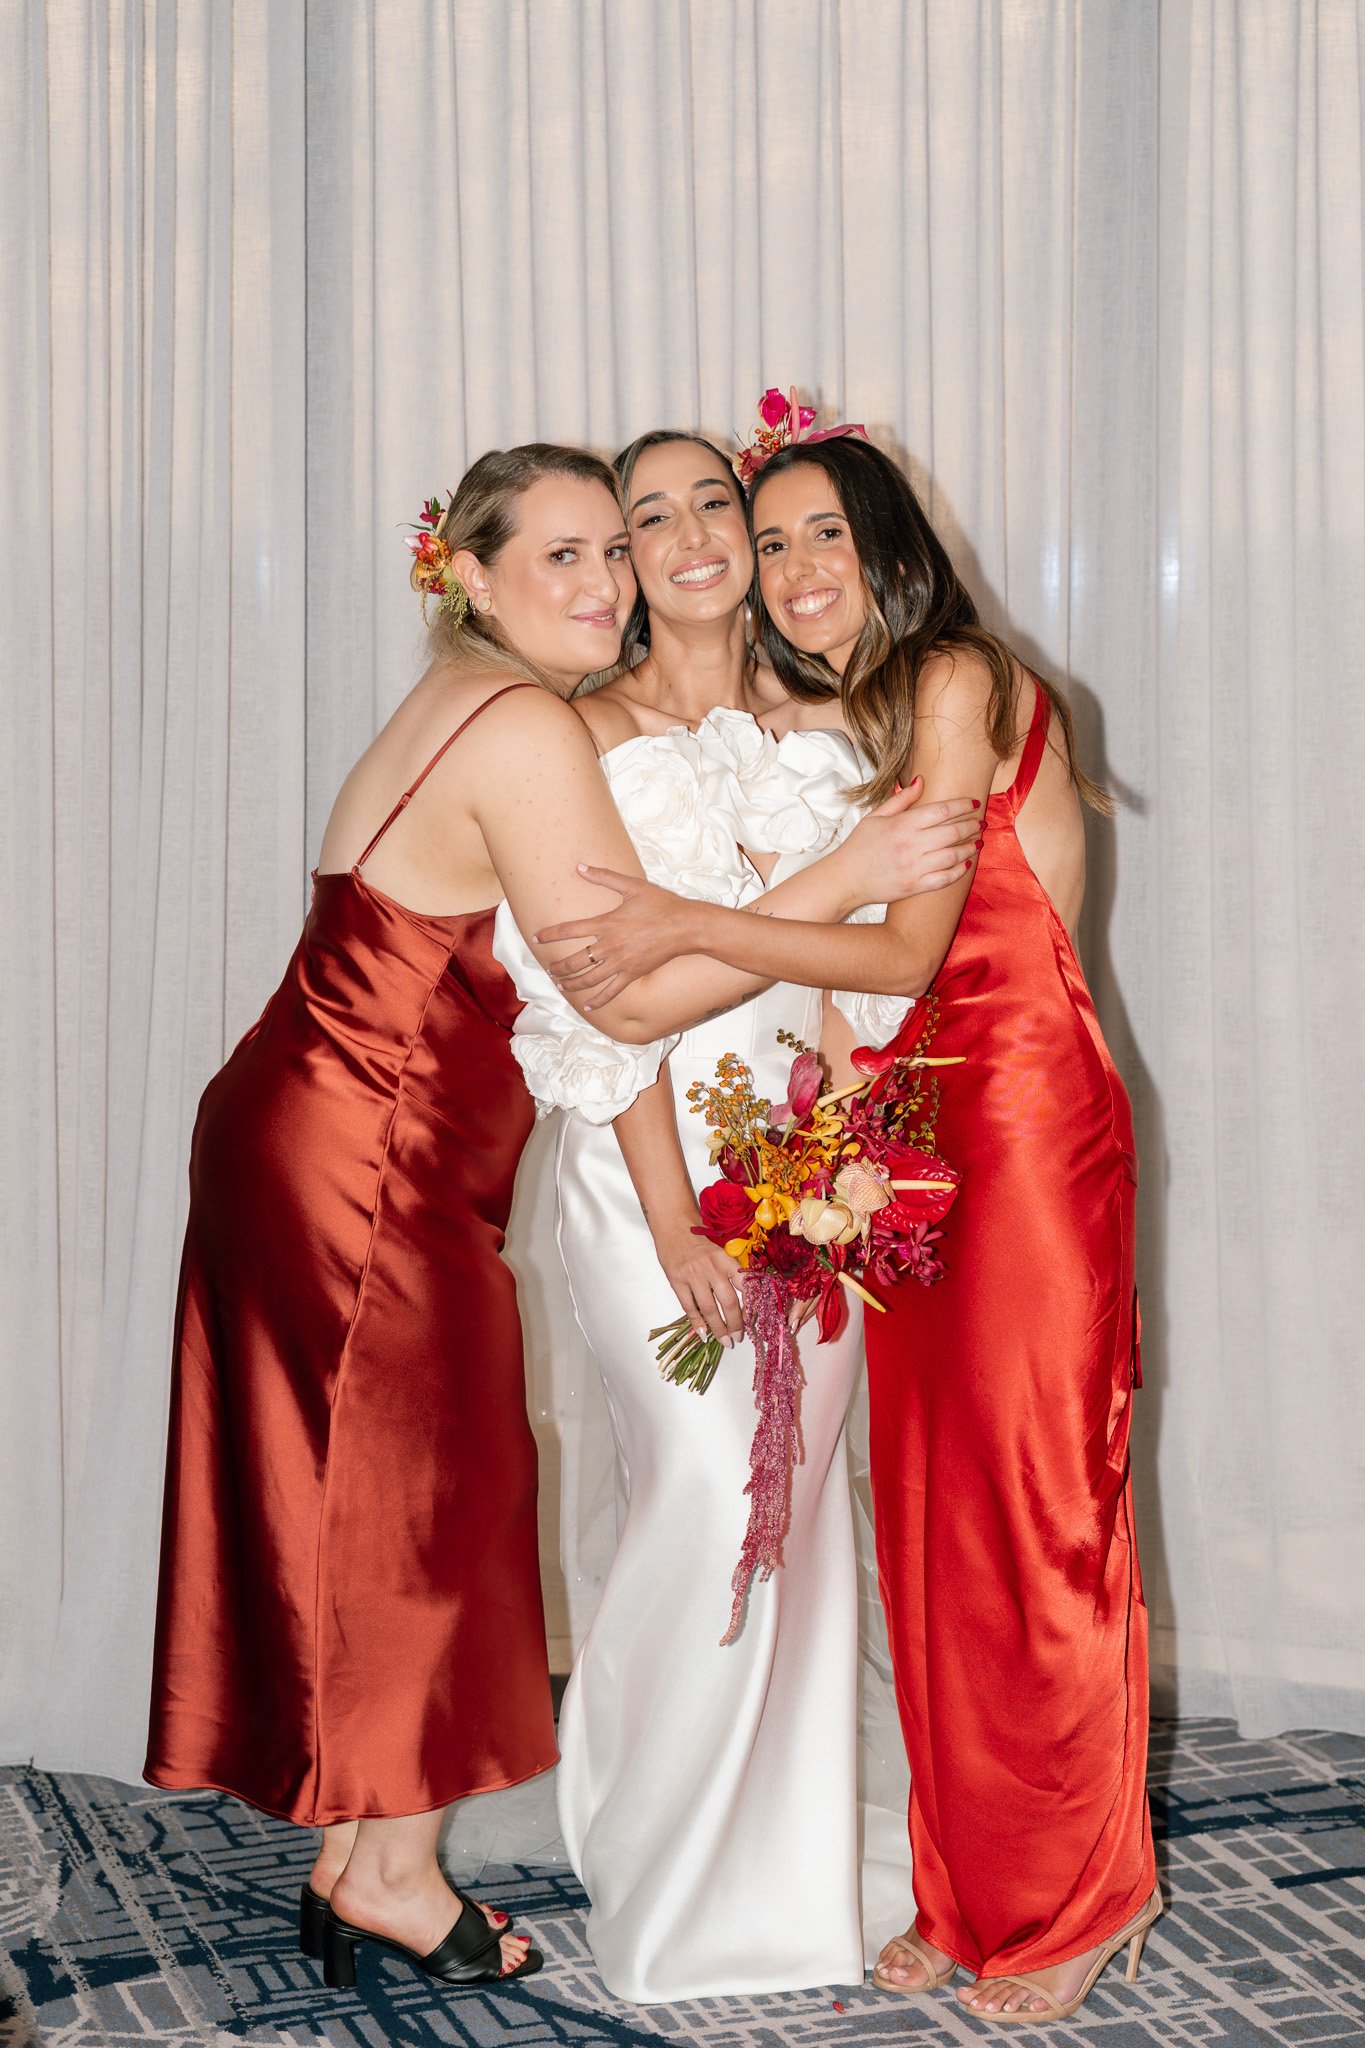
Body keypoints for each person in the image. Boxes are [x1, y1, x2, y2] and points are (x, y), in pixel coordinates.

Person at [144, 437, 970, 1998]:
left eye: (619, 548)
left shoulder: (479, 700)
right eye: (571, 553)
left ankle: (358, 1859)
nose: (606, 581)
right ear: (467, 575)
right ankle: (388, 1875)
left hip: (333, 1136)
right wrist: (848, 872)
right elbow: (618, 991)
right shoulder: (523, 720)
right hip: (362, 1156)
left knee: (408, 1494)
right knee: (422, 1509)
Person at [541, 430, 1159, 2022]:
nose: (800, 568)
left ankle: (1083, 1897)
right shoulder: (852, 716)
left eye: (827, 535)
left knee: (1036, 1518)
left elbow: (899, 959)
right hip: (908, 1149)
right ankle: (972, 1890)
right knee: (932, 1525)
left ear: (890, 545)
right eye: (778, 540)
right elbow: (837, 988)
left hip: (1017, 1136)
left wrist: (679, 919)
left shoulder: (953, 679)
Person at [493, 429, 977, 2001]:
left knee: (800, 1507)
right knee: (705, 1500)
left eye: (722, 504)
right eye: (655, 515)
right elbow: (598, 1005)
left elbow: (873, 985)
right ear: (619, 559)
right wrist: (676, 1223)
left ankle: (792, 1873)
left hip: (809, 1171)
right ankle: (665, 1867)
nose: (698, 535)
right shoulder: (574, 736)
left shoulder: (835, 719)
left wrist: (853, 1161)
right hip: (649, 1174)